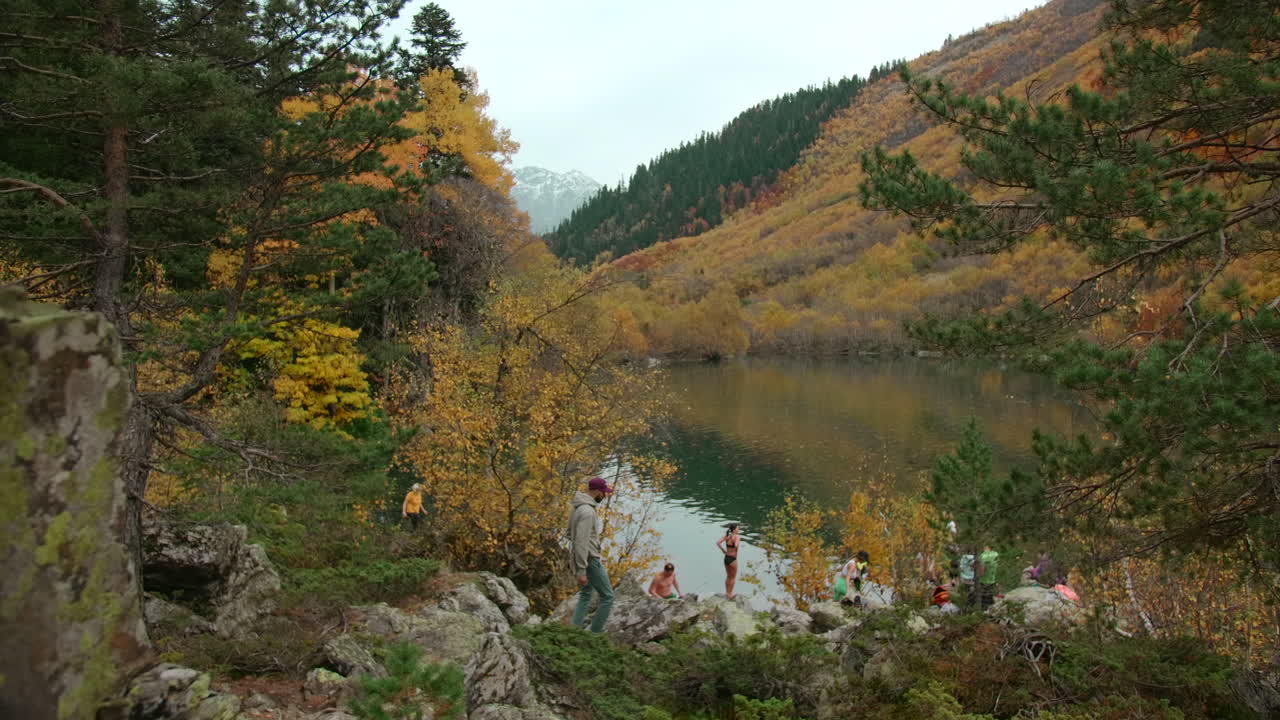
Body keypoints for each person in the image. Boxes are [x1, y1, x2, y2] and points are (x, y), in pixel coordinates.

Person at [569, 476, 615, 633]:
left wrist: (577, 561)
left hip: (580, 557)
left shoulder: (577, 507)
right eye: (604, 492)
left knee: (586, 594)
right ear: (597, 492)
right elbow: (581, 541)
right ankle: (595, 634)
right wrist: (582, 569)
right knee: (608, 596)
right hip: (590, 560)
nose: (605, 495)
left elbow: (570, 534)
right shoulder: (588, 512)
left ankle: (573, 632)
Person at [716, 523, 742, 598]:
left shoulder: (727, 536)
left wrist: (723, 550)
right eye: (737, 528)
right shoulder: (737, 537)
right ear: (734, 530)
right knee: (733, 577)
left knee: (728, 576)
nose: (738, 529)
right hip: (732, 559)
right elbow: (736, 545)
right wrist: (736, 549)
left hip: (726, 557)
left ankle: (727, 592)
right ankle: (730, 594)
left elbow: (718, 543)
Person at [978, 545, 1000, 610]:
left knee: (984, 598)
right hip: (992, 579)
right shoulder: (996, 554)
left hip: (984, 580)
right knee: (990, 596)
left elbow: (982, 570)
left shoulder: (983, 556)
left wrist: (978, 576)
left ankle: (984, 611)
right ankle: (991, 609)